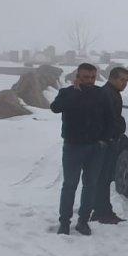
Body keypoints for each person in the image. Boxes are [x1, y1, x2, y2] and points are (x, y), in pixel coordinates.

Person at [50, 62, 113, 235]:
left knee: (90, 185)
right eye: (86, 77)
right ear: (78, 76)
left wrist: (104, 140)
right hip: (73, 147)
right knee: (70, 185)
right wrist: (75, 93)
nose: (90, 81)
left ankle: (83, 221)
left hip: (96, 147)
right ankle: (64, 222)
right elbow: (55, 108)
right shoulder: (67, 93)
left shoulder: (101, 94)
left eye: (93, 77)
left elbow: (110, 118)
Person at [94, 66, 128, 224]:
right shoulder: (107, 94)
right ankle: (102, 212)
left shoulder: (113, 93)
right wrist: (110, 135)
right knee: (103, 178)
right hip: (105, 142)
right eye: (122, 80)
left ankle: (101, 210)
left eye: (126, 81)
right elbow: (108, 119)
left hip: (109, 140)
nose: (124, 83)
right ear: (112, 78)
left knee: (104, 178)